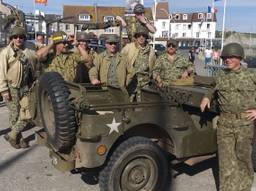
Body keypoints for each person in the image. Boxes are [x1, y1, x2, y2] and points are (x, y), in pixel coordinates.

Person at [200, 42, 256, 191]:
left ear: (239, 57)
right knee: (225, 161)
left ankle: (244, 188)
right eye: (225, 57)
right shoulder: (220, 75)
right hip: (225, 124)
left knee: (243, 159)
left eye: (231, 57)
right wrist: (207, 97)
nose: (227, 60)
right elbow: (211, 88)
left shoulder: (251, 75)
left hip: (244, 124)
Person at [0, 26, 37, 149]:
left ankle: (12, 135)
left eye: (21, 37)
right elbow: (1, 72)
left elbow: (39, 55)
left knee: (28, 113)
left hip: (26, 87)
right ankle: (18, 138)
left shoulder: (28, 50)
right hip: (12, 88)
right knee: (14, 115)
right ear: (12, 38)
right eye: (15, 37)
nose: (18, 39)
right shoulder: (6, 52)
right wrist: (4, 90)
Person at [121, 25, 156, 101]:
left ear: (146, 37)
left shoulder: (151, 50)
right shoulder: (129, 47)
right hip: (131, 82)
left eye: (143, 35)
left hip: (145, 84)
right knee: (128, 105)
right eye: (139, 35)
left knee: (143, 107)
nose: (141, 37)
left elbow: (154, 67)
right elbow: (120, 61)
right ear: (136, 37)